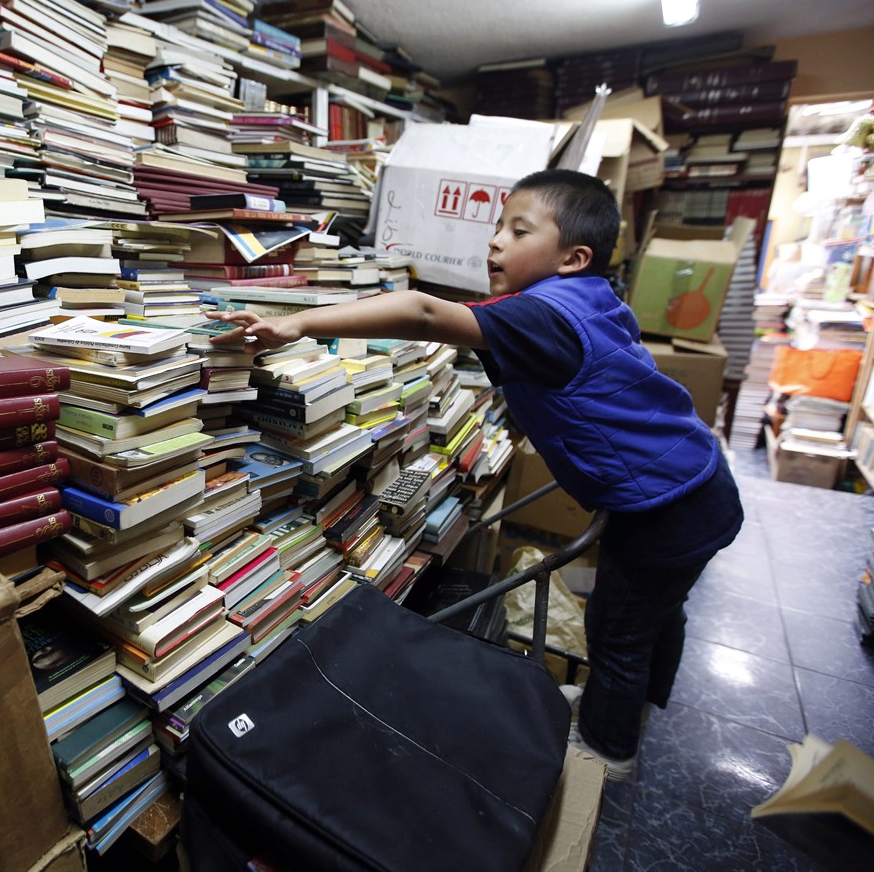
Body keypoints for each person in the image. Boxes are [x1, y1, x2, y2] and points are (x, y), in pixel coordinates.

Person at [207, 168, 744, 780]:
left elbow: (425, 316)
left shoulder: (541, 318)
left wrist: (301, 322)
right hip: (695, 482)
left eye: (518, 231)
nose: (494, 242)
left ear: (573, 257)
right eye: (497, 227)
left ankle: (607, 747)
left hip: (663, 510)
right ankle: (632, 703)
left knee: (617, 628)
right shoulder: (590, 297)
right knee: (657, 611)